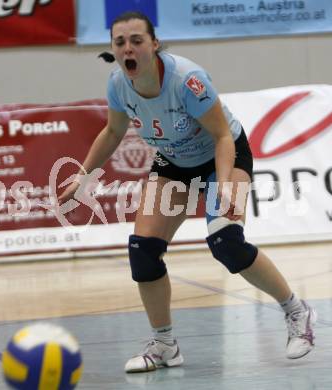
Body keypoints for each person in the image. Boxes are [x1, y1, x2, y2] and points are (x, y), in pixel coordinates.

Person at [59, 11, 317, 373]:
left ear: (154, 45)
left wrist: (225, 185)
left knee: (226, 241)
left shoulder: (187, 80)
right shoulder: (118, 85)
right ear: (114, 50)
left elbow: (223, 136)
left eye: (137, 40)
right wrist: (83, 177)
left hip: (222, 154)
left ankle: (296, 311)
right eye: (120, 42)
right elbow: (113, 132)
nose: (128, 48)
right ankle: (164, 345)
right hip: (175, 163)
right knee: (143, 252)